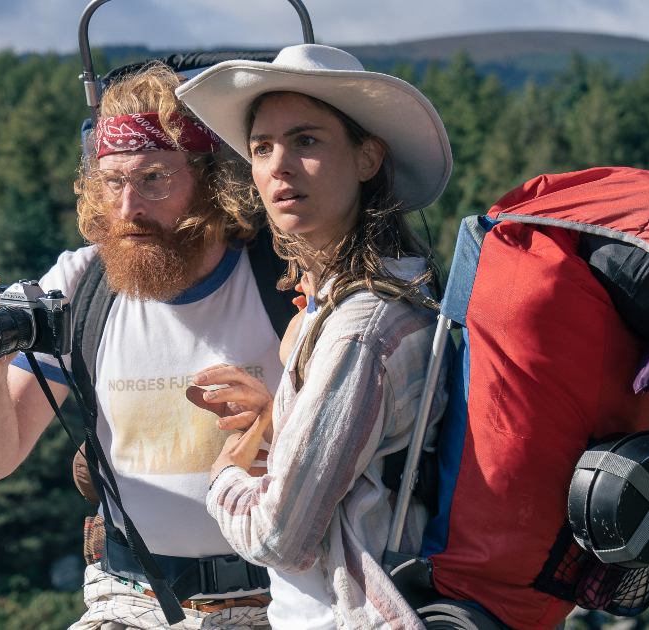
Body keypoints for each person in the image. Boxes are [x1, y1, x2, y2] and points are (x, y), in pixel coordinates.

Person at [0, 64, 299, 630]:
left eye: (155, 178)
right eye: (113, 182)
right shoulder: (81, 285)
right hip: (128, 601)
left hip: (278, 600)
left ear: (213, 179)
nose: (129, 207)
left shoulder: (283, 282)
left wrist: (277, 422)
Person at [174, 45, 453, 629]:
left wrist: (224, 473)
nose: (279, 165)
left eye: (306, 141)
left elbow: (280, 538)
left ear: (368, 158)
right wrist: (279, 416)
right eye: (262, 148)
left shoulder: (360, 330)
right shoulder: (377, 300)